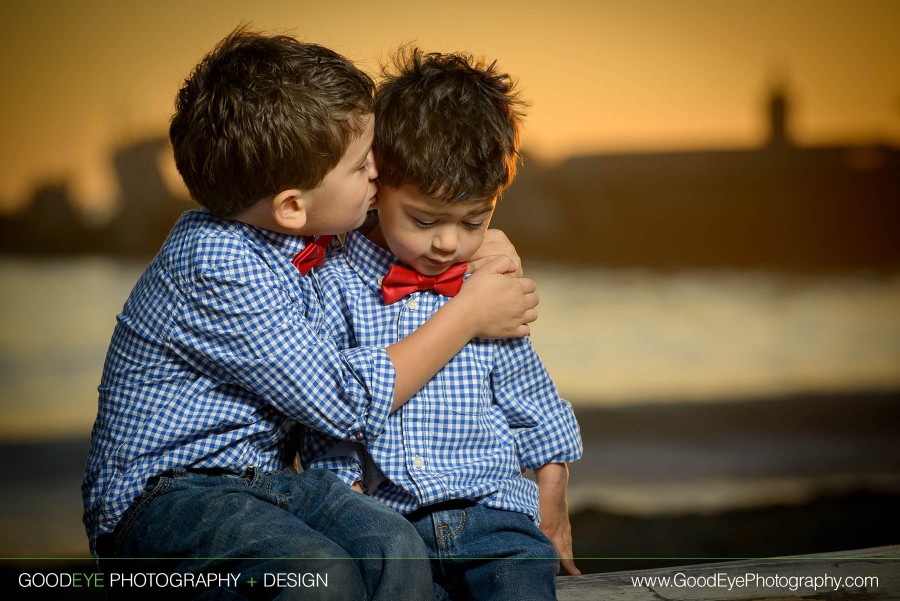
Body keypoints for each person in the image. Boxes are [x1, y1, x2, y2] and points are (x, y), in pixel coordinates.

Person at [81, 28, 539, 600]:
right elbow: (343, 402)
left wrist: (486, 246)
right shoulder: (216, 262)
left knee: (393, 545)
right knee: (320, 576)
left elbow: (412, 240)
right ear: (292, 205)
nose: (378, 170)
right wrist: (469, 314)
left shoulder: (309, 237)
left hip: (264, 484)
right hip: (166, 498)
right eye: (359, 166)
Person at [301, 49, 582, 601]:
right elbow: (326, 413)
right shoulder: (335, 283)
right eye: (425, 220)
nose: (448, 243)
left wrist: (554, 482)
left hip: (494, 516)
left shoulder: (487, 286)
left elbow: (528, 391)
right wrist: (342, 491)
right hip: (391, 524)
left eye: (474, 221)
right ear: (377, 185)